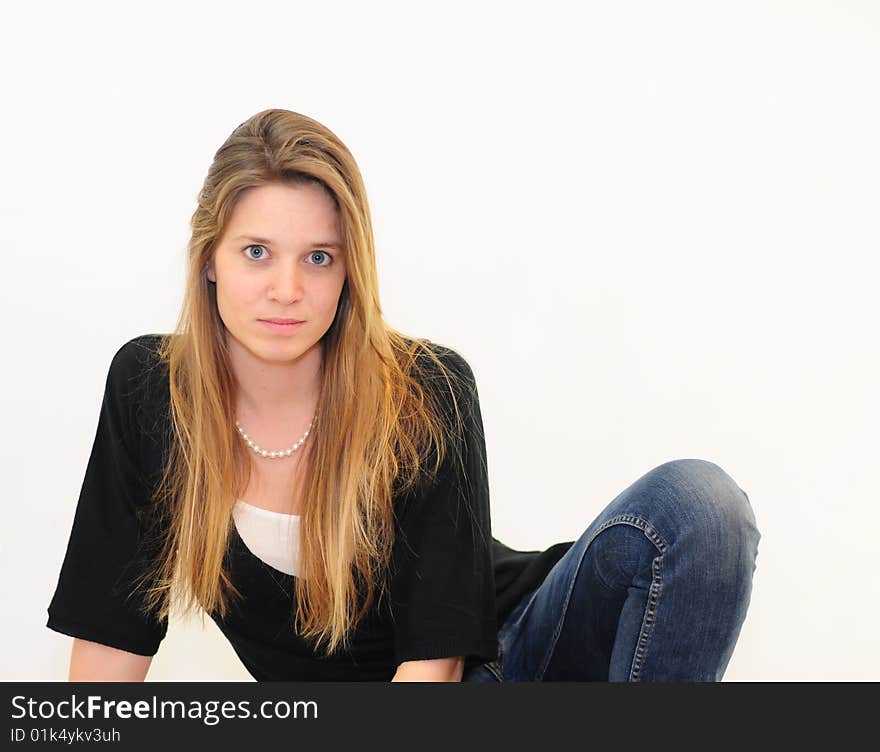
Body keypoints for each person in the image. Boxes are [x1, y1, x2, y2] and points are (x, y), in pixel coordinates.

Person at [46, 108, 761, 682]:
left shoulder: (425, 388)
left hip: (515, 653)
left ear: (349, 271)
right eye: (256, 251)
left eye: (318, 258)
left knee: (700, 505)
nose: (287, 290)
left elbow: (436, 664)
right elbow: (110, 644)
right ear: (209, 259)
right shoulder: (152, 392)